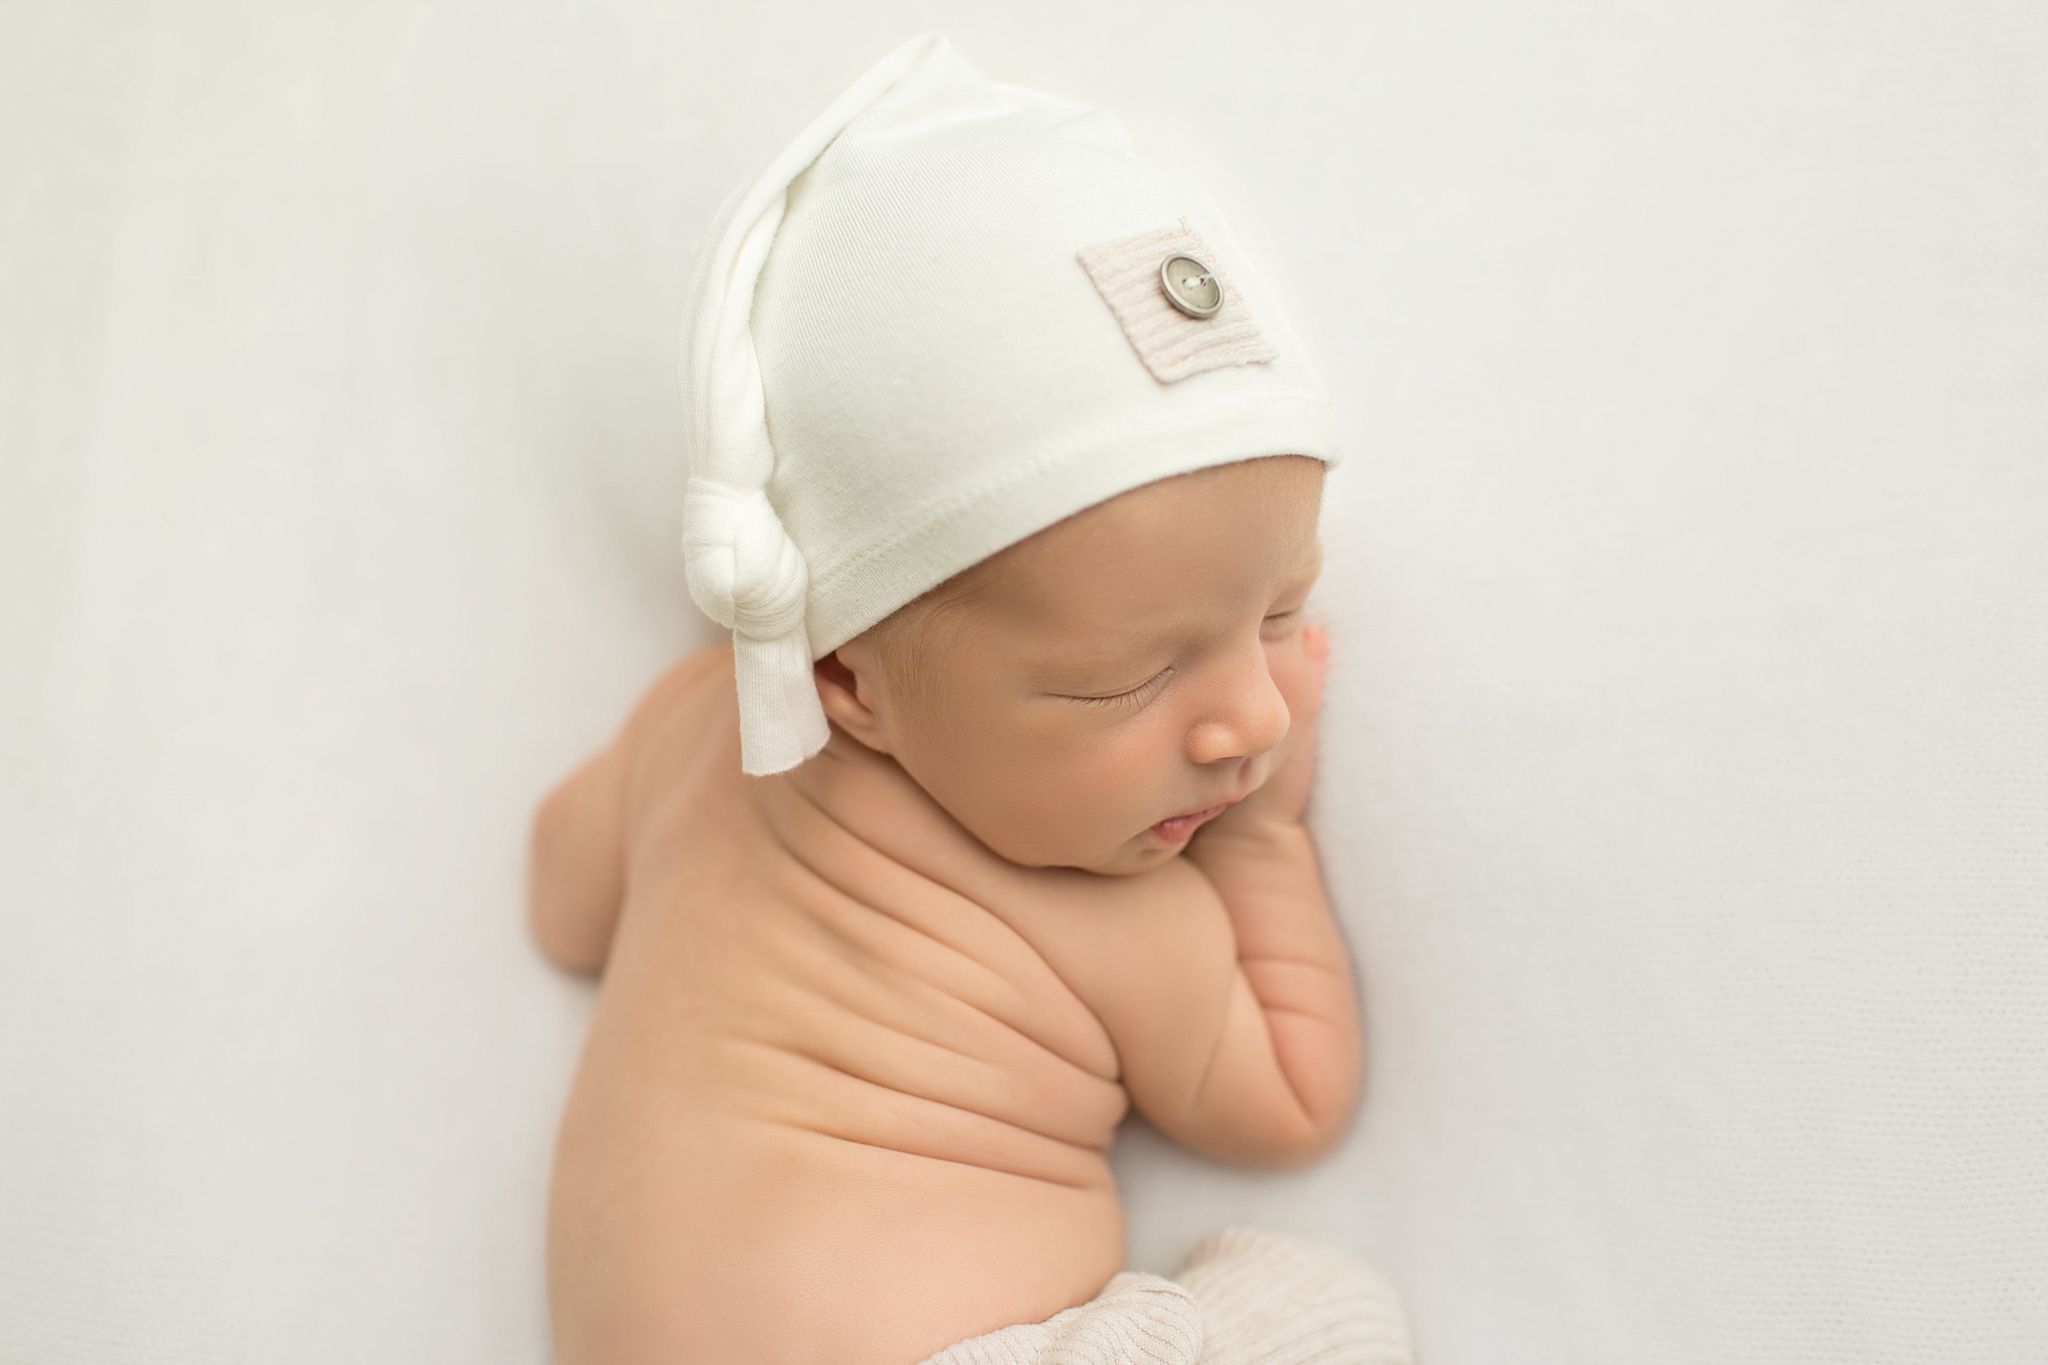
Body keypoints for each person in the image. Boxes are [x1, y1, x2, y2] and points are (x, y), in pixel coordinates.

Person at [529, 36, 1409, 1365]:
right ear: (844, 681)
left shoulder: (686, 730)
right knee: (1330, 1313)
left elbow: (559, 899)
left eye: (1280, 615)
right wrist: (1269, 844)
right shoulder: (1120, 917)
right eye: (1132, 676)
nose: (1255, 721)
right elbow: (1292, 1098)